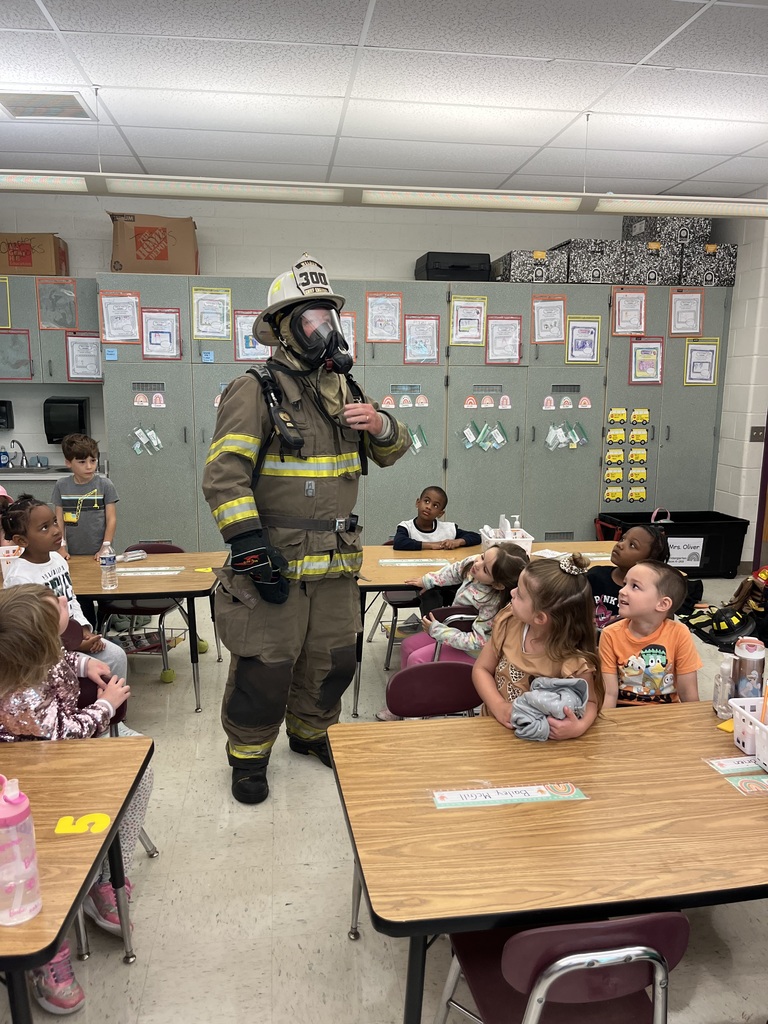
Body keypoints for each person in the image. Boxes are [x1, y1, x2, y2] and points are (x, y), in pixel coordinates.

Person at [202, 253, 410, 805]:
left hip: (338, 562)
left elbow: (392, 452)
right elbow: (224, 477)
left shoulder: (346, 387)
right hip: (277, 556)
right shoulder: (254, 389)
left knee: (334, 659)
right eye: (311, 320)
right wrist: (248, 549)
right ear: (283, 329)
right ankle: (247, 756)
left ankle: (311, 732)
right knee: (266, 666)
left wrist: (383, 423)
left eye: (329, 319)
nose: (324, 331)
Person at [0, 584, 152, 1015]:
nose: (67, 603)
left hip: (61, 758)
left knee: (139, 772)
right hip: (39, 777)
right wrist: (105, 706)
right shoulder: (22, 693)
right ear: (42, 640)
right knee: (47, 859)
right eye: (59, 608)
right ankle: (47, 950)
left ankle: (102, 879)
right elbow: (62, 735)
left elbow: (60, 660)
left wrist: (84, 663)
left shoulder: (36, 657)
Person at [376, 542, 528, 721]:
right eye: (481, 556)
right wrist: (428, 580)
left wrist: (438, 631)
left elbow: (478, 641)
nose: (477, 564)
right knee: (408, 646)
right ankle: (404, 702)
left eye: (485, 569)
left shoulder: (493, 604)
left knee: (417, 659)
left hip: (474, 652)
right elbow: (455, 570)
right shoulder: (476, 565)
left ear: (498, 585)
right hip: (455, 631)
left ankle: (420, 708)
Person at [472, 553, 604, 739]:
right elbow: (481, 669)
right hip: (493, 728)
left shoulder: (573, 658)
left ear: (540, 618)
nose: (512, 592)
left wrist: (579, 727)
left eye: (520, 594)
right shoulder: (509, 621)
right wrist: (498, 706)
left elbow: (590, 701)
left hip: (540, 743)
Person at [1, 495, 128, 681]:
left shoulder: (58, 560)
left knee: (116, 656)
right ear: (22, 541)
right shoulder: (20, 577)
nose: (55, 531)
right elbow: (30, 633)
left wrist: (84, 630)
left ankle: (113, 705)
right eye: (45, 528)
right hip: (46, 651)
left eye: (54, 522)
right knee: (94, 670)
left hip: (73, 637)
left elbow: (71, 599)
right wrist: (76, 644)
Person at [600, 560, 702, 707]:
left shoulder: (679, 633)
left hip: (667, 711)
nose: (622, 591)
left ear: (662, 604)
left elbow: (688, 693)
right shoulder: (610, 634)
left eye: (635, 586)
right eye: (625, 584)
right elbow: (609, 693)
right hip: (623, 711)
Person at [52, 433, 119, 628]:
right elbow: (58, 519)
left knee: (108, 598)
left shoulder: (105, 485)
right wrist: (61, 547)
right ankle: (90, 632)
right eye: (82, 462)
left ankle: (105, 629)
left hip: (100, 555)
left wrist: (105, 547)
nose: (89, 466)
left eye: (93, 460)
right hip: (72, 555)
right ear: (68, 462)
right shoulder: (61, 485)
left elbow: (111, 518)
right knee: (82, 599)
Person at [588, 525, 670, 629]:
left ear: (649, 560)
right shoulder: (595, 576)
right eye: (622, 539)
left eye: (632, 545)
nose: (620, 545)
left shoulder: (648, 593)